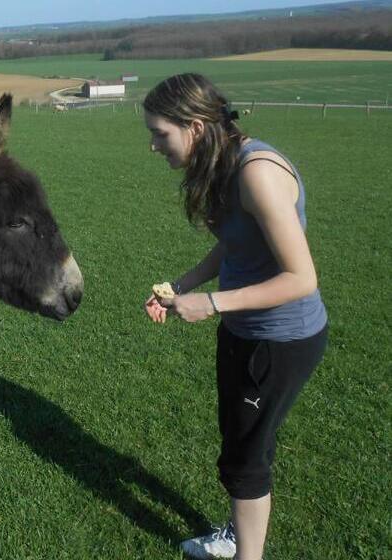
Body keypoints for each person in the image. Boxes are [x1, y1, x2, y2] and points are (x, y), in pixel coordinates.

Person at [142, 73, 328, 560]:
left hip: (280, 341)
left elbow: (301, 278)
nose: (153, 146)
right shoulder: (224, 166)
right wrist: (181, 286)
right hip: (243, 331)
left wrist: (212, 303)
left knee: (245, 460)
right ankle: (238, 535)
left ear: (195, 128)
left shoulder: (256, 173)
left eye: (160, 134)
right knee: (242, 443)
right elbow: (234, 244)